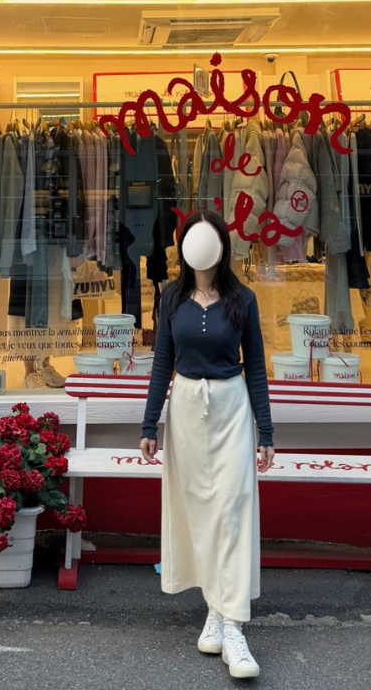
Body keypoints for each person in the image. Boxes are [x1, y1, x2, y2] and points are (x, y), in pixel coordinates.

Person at [140, 209, 275, 680]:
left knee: (232, 509)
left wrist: (266, 432)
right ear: (183, 246)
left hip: (231, 409)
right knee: (199, 511)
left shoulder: (243, 299)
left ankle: (232, 625)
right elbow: (162, 363)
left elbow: (255, 367)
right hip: (185, 413)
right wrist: (150, 424)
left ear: (221, 245)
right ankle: (215, 609)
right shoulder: (171, 298)